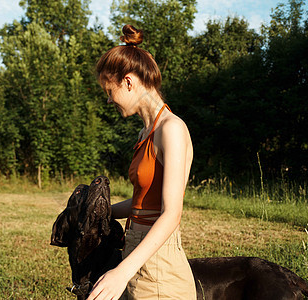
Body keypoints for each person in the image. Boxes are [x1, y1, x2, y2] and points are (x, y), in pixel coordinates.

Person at [87, 24, 197, 300]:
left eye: (109, 91)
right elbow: (142, 203)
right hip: (136, 254)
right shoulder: (144, 133)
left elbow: (171, 213)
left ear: (128, 81)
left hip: (160, 268)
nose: (109, 99)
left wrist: (121, 273)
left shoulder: (171, 129)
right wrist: (103, 212)